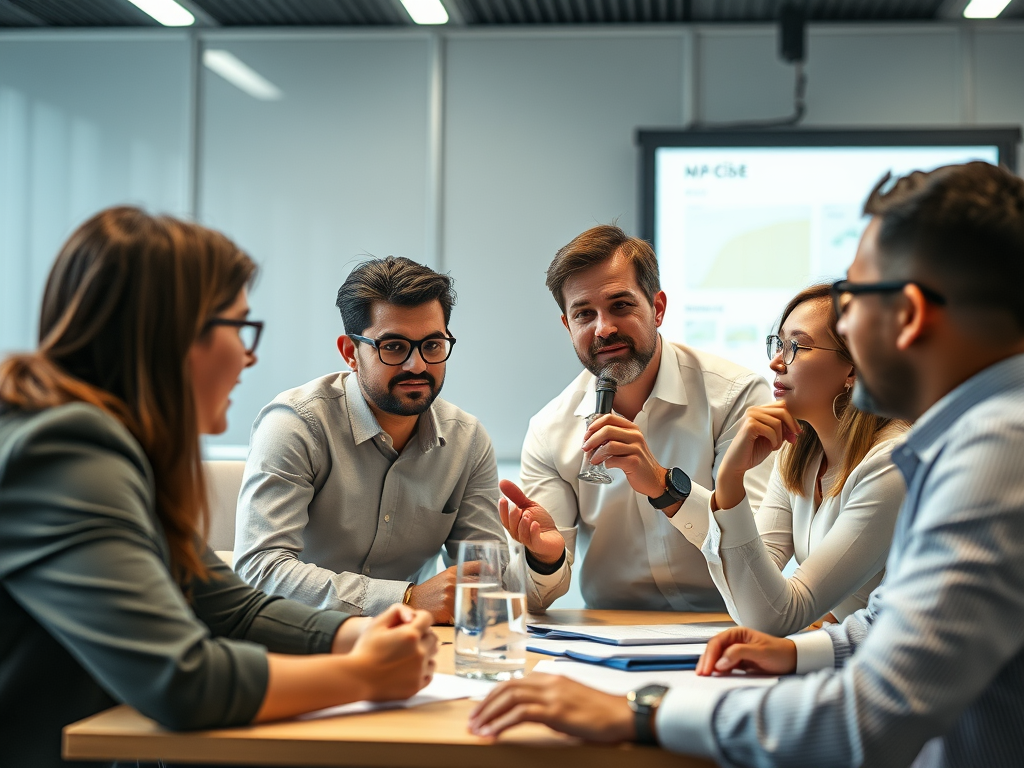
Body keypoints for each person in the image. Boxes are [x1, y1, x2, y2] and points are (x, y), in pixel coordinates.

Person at [468, 162, 1024, 767]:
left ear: (910, 315)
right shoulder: (970, 441)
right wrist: (801, 653)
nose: (843, 328)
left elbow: (872, 714)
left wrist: (641, 711)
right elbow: (894, 625)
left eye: (853, 299)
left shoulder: (995, 454)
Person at [0, 208, 437, 768]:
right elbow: (180, 681)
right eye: (240, 327)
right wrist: (362, 675)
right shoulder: (65, 451)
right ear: (171, 334)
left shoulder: (115, 448)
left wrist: (352, 637)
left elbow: (229, 610)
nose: (249, 356)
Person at [500, 225, 774, 611]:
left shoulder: (735, 397)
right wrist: (545, 559)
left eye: (621, 306)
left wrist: (665, 487)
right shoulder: (550, 430)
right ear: (568, 325)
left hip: (727, 625)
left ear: (657, 308)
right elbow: (529, 597)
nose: (604, 328)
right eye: (583, 314)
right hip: (610, 635)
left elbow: (762, 554)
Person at [234, 256, 506, 624]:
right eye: (393, 346)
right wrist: (406, 599)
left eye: (433, 345)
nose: (418, 365)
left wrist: (541, 560)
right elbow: (260, 568)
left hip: (409, 646)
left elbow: (484, 580)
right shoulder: (296, 424)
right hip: (298, 639)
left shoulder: (468, 440)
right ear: (350, 353)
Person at [697, 283, 906, 635]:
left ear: (853, 369)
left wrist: (730, 481)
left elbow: (775, 615)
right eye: (779, 343)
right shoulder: (798, 452)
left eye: (797, 345)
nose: (776, 361)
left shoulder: (890, 463)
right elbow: (747, 601)